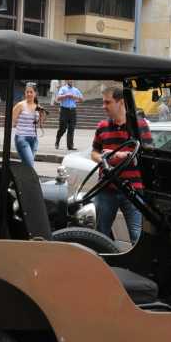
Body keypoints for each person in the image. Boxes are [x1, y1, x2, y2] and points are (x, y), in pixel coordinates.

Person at [91, 86, 152, 244]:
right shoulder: (102, 126)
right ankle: (101, 264)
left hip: (133, 190)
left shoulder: (140, 125)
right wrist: (104, 158)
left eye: (108, 102)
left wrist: (119, 156)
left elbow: (147, 154)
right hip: (106, 189)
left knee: (137, 236)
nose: (103, 106)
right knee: (100, 234)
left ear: (121, 102)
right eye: (103, 102)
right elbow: (94, 153)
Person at [12, 83, 46, 167]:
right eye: (27, 92)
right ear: (25, 93)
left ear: (35, 93)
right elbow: (12, 120)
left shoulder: (38, 106)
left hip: (34, 139)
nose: (29, 94)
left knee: (26, 166)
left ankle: (21, 179)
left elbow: (39, 122)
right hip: (22, 138)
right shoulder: (20, 105)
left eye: (31, 92)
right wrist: (17, 124)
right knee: (30, 165)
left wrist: (42, 116)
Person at [55, 80, 83, 150]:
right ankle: (57, 140)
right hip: (64, 110)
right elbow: (58, 98)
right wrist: (66, 95)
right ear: (67, 80)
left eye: (72, 80)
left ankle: (70, 146)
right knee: (63, 128)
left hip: (73, 111)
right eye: (70, 80)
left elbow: (82, 99)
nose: (71, 81)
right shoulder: (63, 88)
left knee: (71, 128)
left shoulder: (76, 90)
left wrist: (74, 97)